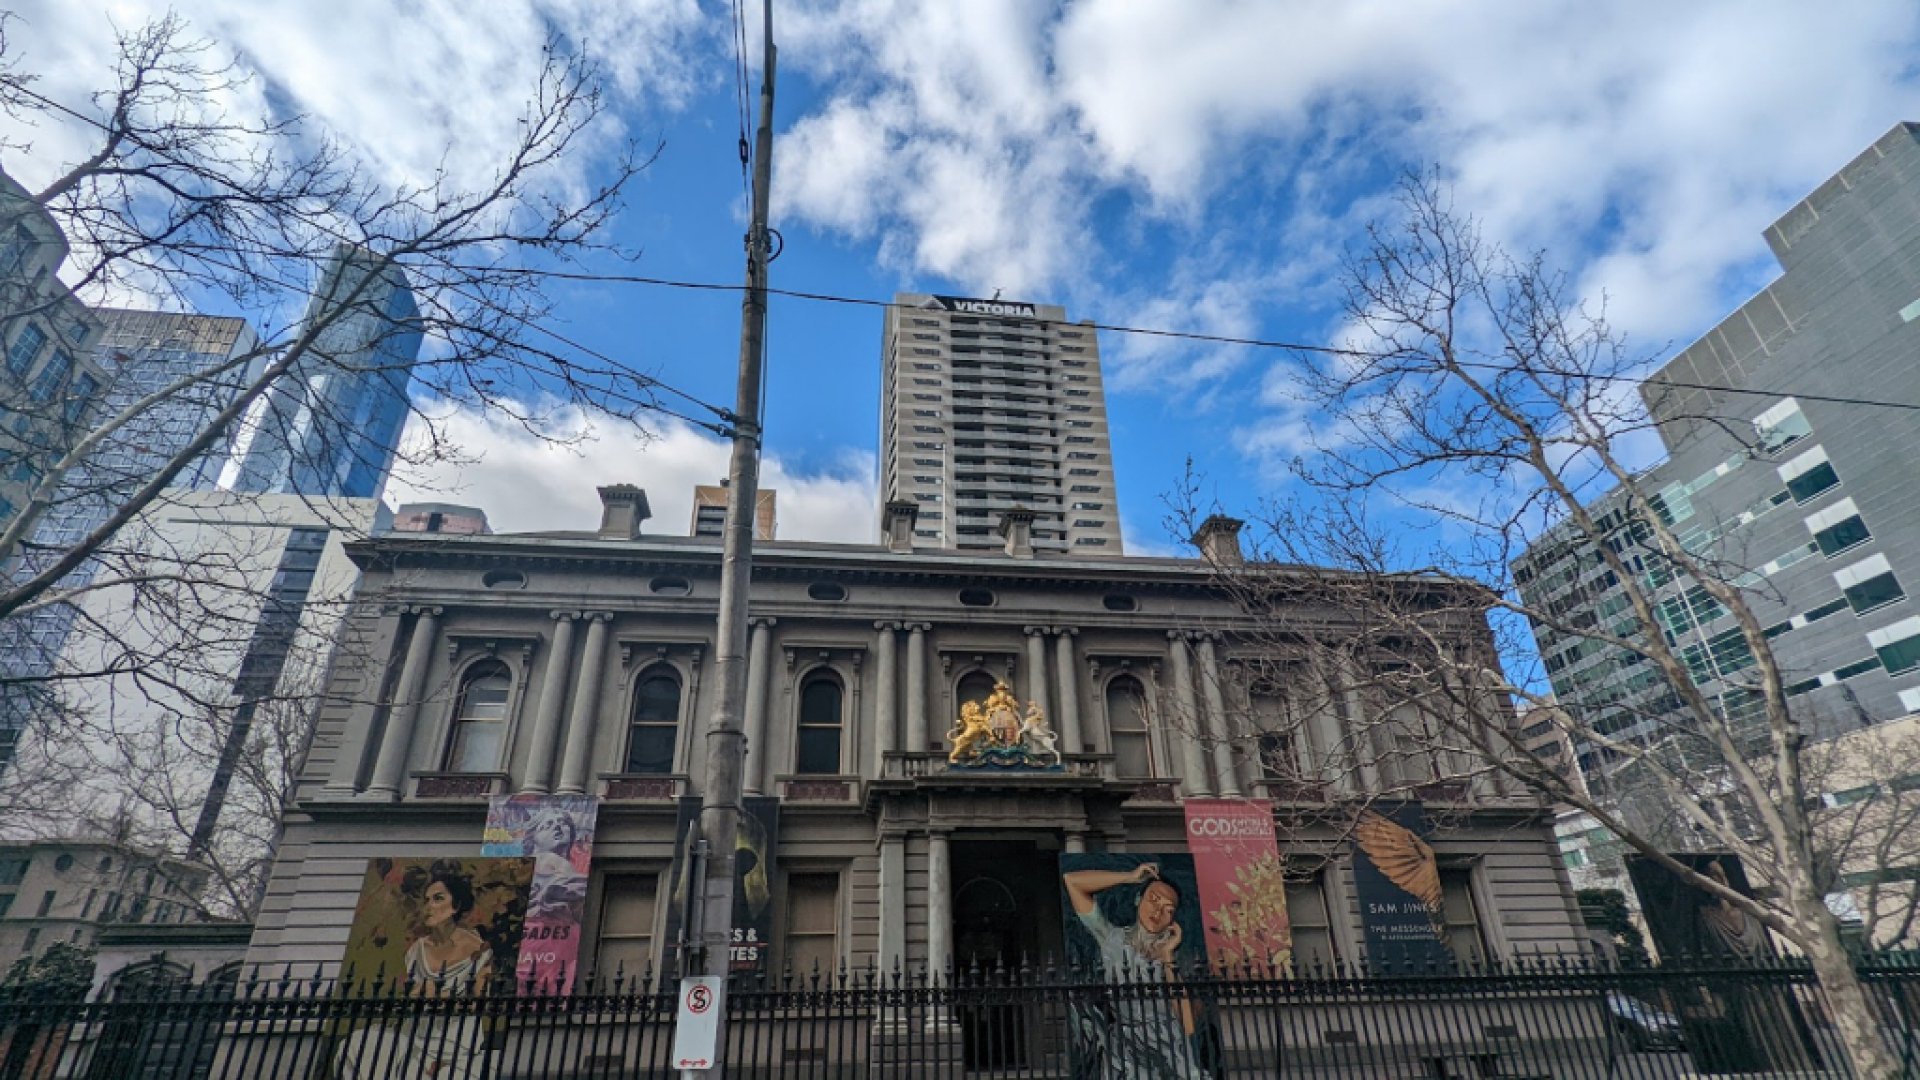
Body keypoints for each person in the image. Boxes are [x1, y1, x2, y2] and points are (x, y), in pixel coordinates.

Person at [337, 862, 495, 1080]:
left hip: (455, 1042)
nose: (429, 906)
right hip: (413, 1036)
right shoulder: (416, 949)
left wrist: (438, 996)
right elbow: (413, 995)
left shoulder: (479, 949)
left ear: (456, 905)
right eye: (426, 900)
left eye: (438, 899)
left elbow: (481, 1001)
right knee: (359, 1043)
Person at [1062, 862, 1211, 1079]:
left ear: (1173, 920)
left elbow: (1188, 1024)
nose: (1158, 911)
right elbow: (1073, 882)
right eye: (1153, 899)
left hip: (1170, 1047)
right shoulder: (1111, 938)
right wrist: (1130, 877)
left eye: (1168, 909)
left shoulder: (1178, 956)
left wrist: (1167, 957)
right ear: (1138, 899)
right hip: (1124, 1048)